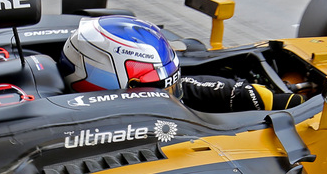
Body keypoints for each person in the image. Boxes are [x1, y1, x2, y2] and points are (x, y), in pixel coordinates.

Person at [58, 16, 307, 112]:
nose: (171, 94)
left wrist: (290, 102)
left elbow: (195, 90)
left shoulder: (176, 91)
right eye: (158, 89)